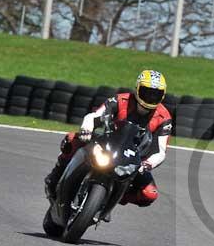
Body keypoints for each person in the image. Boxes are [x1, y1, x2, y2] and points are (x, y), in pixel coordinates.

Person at [44, 69, 172, 220]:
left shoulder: (164, 117)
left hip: (133, 159)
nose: (150, 97)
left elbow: (161, 151)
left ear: (162, 96)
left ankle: (114, 197)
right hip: (106, 143)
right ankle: (54, 177)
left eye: (155, 94)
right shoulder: (120, 100)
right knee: (72, 139)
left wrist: (148, 164)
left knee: (149, 194)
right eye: (146, 92)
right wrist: (87, 129)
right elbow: (95, 116)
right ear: (137, 89)